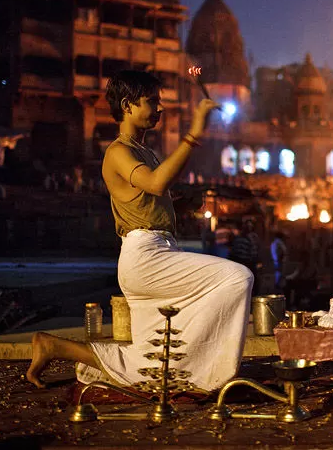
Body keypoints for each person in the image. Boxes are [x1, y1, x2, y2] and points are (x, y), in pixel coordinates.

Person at [26, 70, 253, 395]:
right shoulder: (117, 152)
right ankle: (209, 373)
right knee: (237, 278)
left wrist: (181, 204)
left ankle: (54, 347)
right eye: (151, 101)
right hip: (145, 259)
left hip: (159, 251)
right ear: (127, 105)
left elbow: (150, 202)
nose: (159, 109)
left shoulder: (146, 153)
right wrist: (195, 132)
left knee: (152, 360)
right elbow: (156, 183)